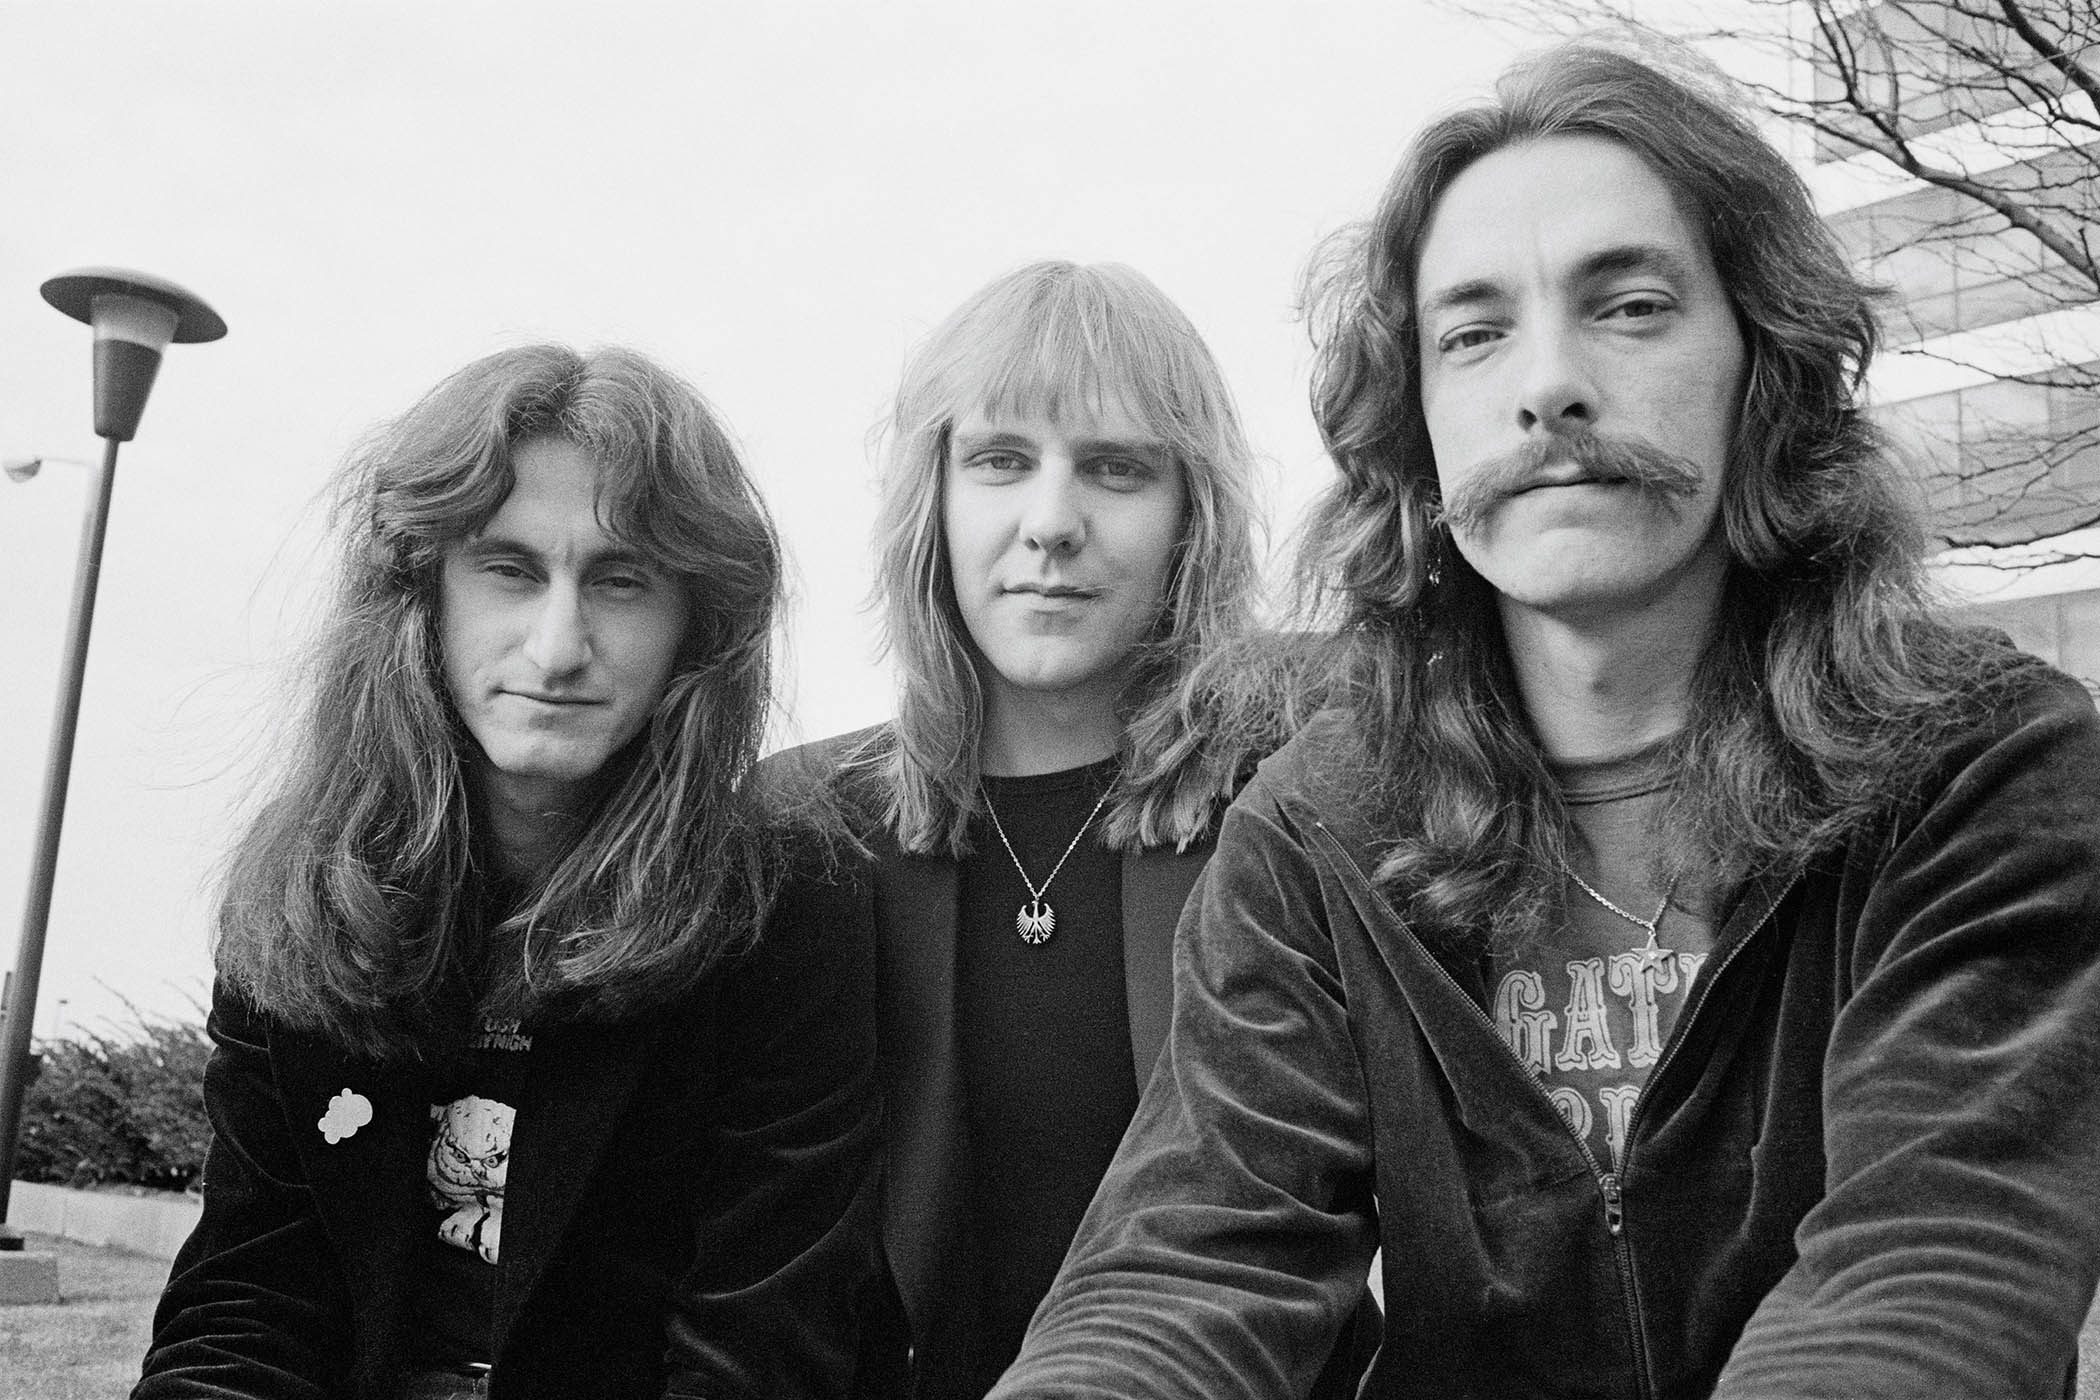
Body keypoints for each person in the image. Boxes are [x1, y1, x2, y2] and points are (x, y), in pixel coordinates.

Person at [990, 44, 2100, 1400]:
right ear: (1418, 424)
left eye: (1629, 307)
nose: (1549, 384)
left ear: (1764, 364)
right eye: (1473, 334)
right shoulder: (1320, 829)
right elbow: (1191, 1262)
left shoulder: (1982, 761)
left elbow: (1930, 1266)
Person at [136, 344, 880, 1400]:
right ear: (422, 595)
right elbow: (248, 1304)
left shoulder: (783, 904)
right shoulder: (308, 889)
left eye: (621, 580)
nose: (558, 645)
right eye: (509, 570)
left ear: (697, 627)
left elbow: (757, 1354)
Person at [775, 261, 1374, 1400]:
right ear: (932, 500)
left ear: (1192, 514)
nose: (1052, 523)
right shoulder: (804, 831)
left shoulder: (1301, 792)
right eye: (1001, 461)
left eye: (1116, 468)